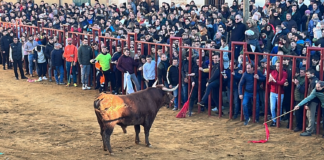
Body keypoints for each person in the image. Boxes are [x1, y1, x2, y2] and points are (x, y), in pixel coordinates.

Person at [294, 69, 320, 136]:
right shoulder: (313, 81)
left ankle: (309, 131)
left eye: (308, 74)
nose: (307, 76)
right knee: (309, 115)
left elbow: (311, 95)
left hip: (313, 101)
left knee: (310, 116)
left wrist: (307, 103)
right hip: (312, 100)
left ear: (313, 74)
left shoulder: (314, 82)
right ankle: (312, 129)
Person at [268, 61, 288, 127]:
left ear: (282, 66)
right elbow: (268, 83)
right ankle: (274, 121)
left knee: (279, 107)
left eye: (279, 66)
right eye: (276, 66)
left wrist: (274, 81)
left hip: (281, 93)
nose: (277, 67)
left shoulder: (284, 73)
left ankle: (278, 121)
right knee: (272, 107)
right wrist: (269, 81)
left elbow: (282, 82)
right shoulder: (273, 72)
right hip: (273, 92)